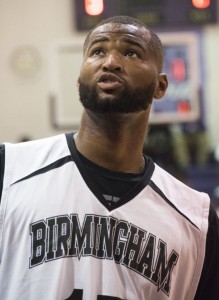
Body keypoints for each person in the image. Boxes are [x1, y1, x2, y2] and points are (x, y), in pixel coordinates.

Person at [0, 16, 218, 300]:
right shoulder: (10, 169)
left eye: (130, 52)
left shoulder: (196, 219)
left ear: (160, 86)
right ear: (79, 80)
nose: (110, 62)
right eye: (97, 51)